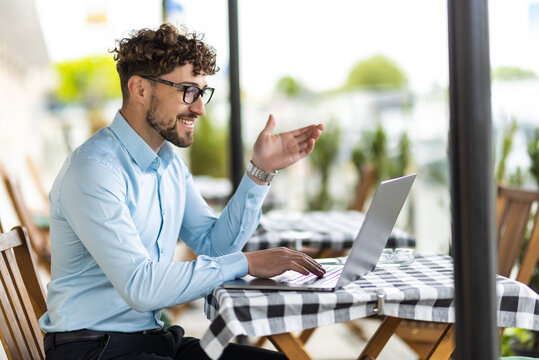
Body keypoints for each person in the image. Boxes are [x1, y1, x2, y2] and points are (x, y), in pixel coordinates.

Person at [39, 23, 326, 360]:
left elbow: (214, 246)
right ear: (140, 89)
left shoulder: (168, 164)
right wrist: (246, 262)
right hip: (93, 350)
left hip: (153, 339)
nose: (200, 108)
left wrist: (260, 172)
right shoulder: (94, 169)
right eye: (188, 91)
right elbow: (141, 286)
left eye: (202, 92)